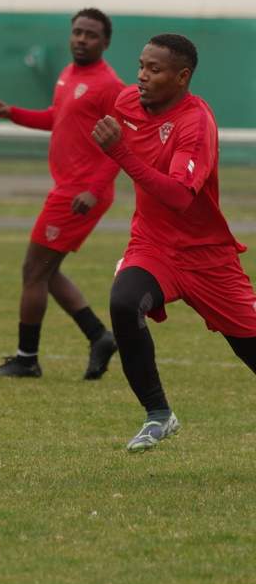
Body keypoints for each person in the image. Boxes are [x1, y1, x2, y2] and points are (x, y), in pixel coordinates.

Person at [91, 34, 256, 452]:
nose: (142, 76)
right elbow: (110, 145)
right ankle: (158, 414)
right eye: (141, 66)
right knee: (124, 302)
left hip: (207, 258)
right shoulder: (127, 103)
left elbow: (180, 197)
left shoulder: (195, 124)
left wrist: (121, 154)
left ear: (182, 77)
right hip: (152, 245)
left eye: (155, 69)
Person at [0, 8, 124, 379]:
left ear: (105, 42)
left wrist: (94, 190)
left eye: (91, 35)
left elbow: (122, 144)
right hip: (68, 187)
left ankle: (27, 359)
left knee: (34, 270)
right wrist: (12, 113)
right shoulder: (68, 73)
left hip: (80, 193)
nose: (81, 39)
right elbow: (55, 117)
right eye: (77, 32)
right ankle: (99, 336)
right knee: (46, 271)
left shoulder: (110, 85)